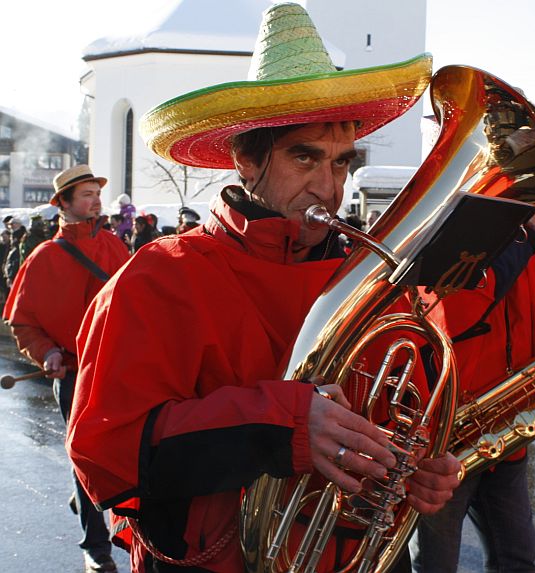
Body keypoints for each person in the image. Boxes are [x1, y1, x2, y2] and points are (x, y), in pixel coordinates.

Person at [66, 4, 460, 573]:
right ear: (247, 160)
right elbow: (105, 450)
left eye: (341, 163)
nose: (330, 188)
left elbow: (403, 417)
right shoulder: (159, 275)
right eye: (305, 157)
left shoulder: (371, 283)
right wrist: (281, 424)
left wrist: (419, 466)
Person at [410, 210, 535, 573]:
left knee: (518, 560)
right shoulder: (463, 227)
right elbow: (453, 308)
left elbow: (512, 305)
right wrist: (528, 236)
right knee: (436, 565)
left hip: (507, 426)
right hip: (448, 434)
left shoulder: (529, 240)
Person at [3, 164, 130, 573]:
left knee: (121, 451)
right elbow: (23, 322)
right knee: (85, 456)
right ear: (64, 203)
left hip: (117, 370)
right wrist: (47, 354)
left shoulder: (115, 246)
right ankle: (96, 546)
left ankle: (91, 496)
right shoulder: (42, 257)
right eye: (87, 194)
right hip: (74, 375)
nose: (96, 201)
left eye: (97, 193)